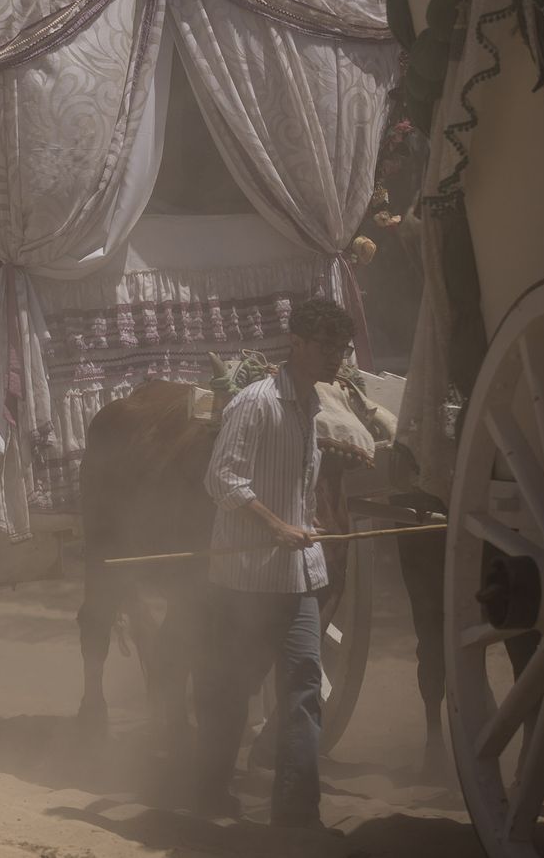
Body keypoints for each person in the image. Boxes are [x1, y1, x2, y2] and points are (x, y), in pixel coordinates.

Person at [192, 297, 355, 829]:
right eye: (327, 346)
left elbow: (298, 491)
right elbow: (222, 479)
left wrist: (306, 525)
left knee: (303, 689)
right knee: (231, 691)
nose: (336, 356)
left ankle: (297, 814)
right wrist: (277, 527)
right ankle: (210, 794)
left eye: (341, 347)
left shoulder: (313, 406)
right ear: (297, 344)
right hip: (247, 581)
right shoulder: (256, 403)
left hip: (299, 579)